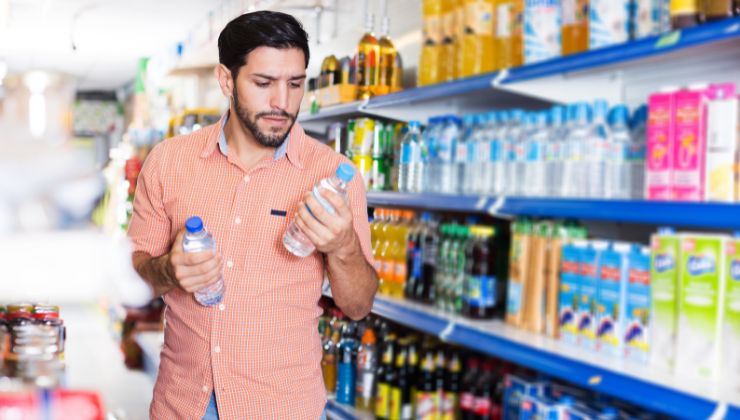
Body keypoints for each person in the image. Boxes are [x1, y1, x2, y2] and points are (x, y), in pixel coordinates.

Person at [128, 11, 378, 419]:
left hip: (282, 407)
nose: (282, 102)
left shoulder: (333, 174)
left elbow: (358, 305)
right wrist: (169, 271)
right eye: (263, 83)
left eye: (295, 84)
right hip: (182, 404)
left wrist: (344, 245)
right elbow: (132, 278)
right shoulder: (169, 162)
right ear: (227, 80)